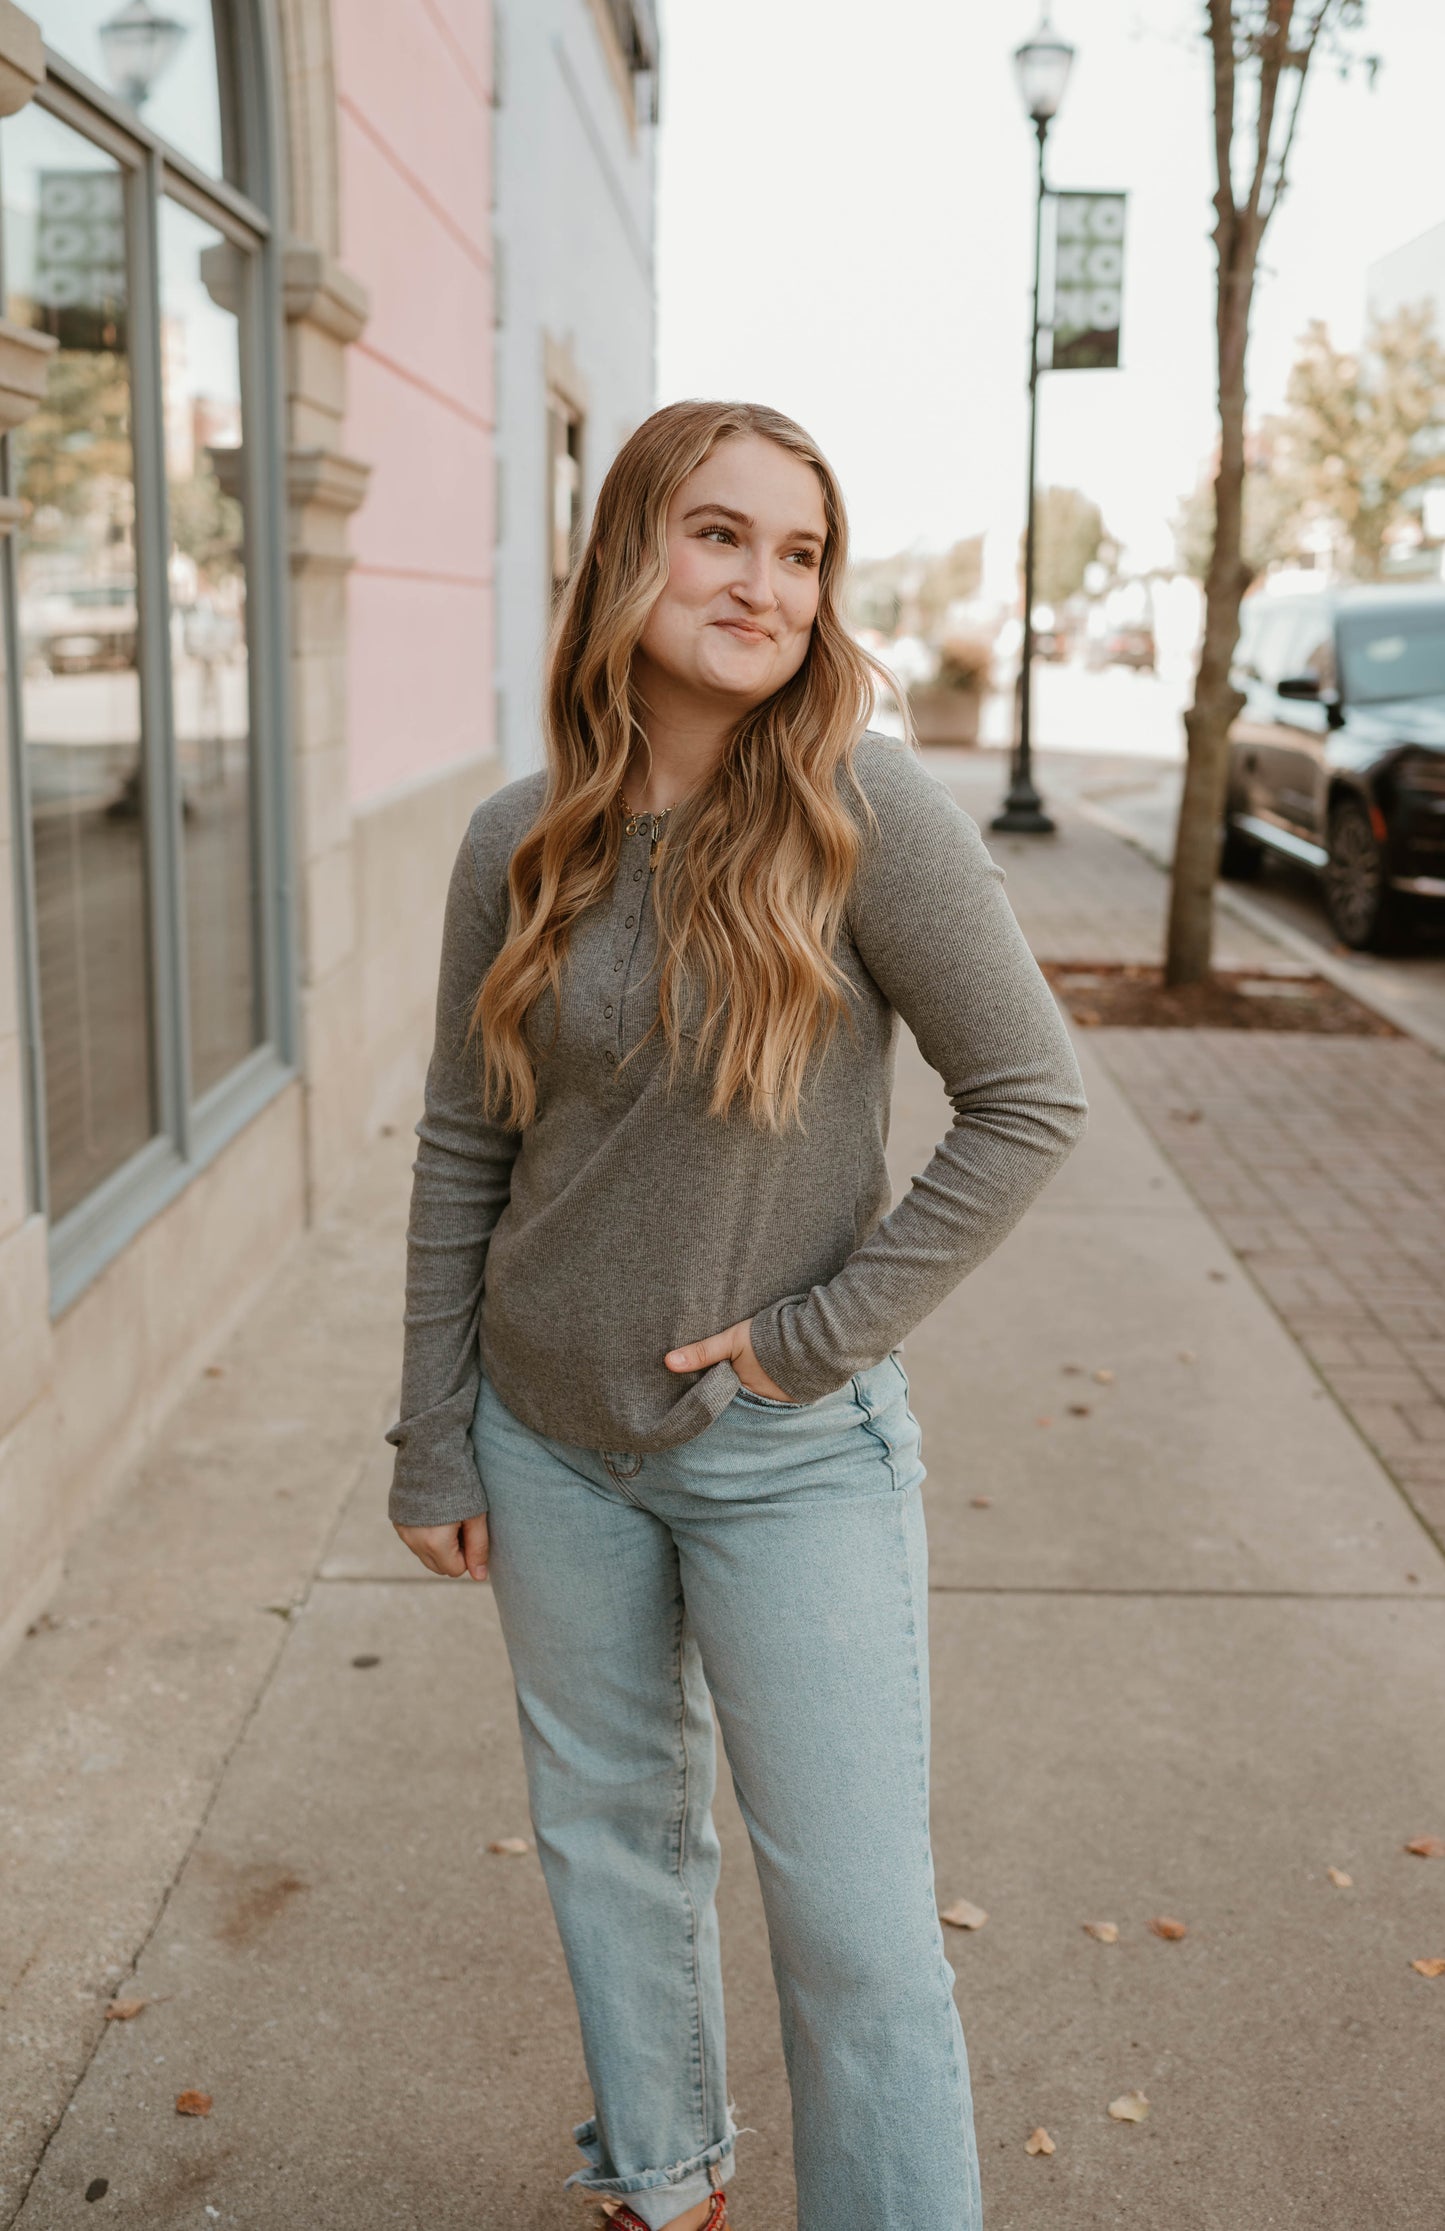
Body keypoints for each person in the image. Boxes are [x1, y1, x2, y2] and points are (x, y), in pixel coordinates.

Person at [385, 399, 1088, 2231]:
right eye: (720, 534)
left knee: (855, 1924)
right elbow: (466, 1147)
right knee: (611, 1850)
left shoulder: (866, 814)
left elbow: (1030, 1099)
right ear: (629, 550)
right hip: (545, 1439)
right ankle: (664, 2178)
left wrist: (814, 1337)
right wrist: (433, 1431)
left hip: (789, 1455)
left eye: (799, 554)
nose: (762, 584)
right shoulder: (512, 840)